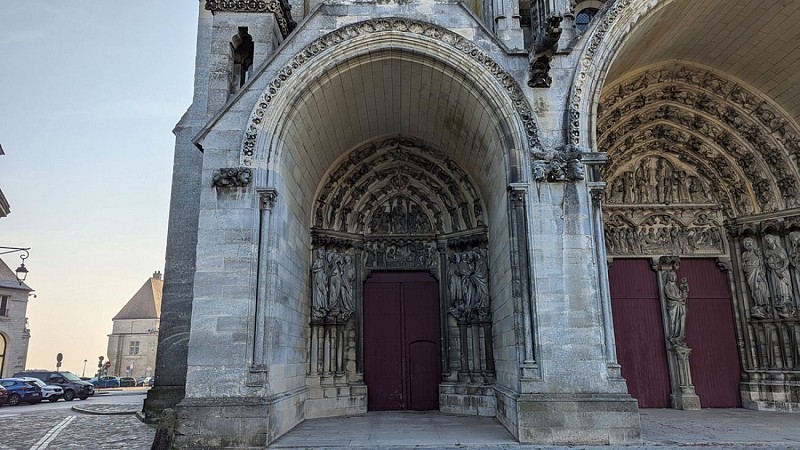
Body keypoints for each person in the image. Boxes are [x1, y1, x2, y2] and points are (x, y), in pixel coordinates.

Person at [764, 234, 796, 318]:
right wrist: (767, 263)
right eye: (766, 241)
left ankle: (786, 302)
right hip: (773, 272)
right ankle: (779, 302)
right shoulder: (767, 252)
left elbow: (786, 261)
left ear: (774, 240)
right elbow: (768, 263)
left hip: (783, 272)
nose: (768, 242)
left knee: (784, 286)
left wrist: (781, 270)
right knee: (776, 287)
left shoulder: (780, 249)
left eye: (769, 240)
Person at [741, 237, 770, 319]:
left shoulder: (756, 252)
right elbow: (743, 266)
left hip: (757, 271)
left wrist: (761, 270)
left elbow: (762, 262)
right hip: (750, 272)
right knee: (754, 289)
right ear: (744, 245)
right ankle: (757, 304)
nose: (749, 245)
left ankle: (763, 305)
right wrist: (744, 261)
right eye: (747, 243)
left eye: (750, 243)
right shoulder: (744, 254)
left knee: (760, 287)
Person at [663, 271, 688, 346]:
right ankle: (673, 335)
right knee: (673, 320)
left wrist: (683, 292)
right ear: (668, 277)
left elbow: (679, 295)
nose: (673, 277)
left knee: (679, 320)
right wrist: (678, 299)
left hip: (679, 305)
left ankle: (679, 336)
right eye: (671, 275)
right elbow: (669, 295)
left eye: (674, 275)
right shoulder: (667, 286)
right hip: (673, 306)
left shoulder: (676, 287)